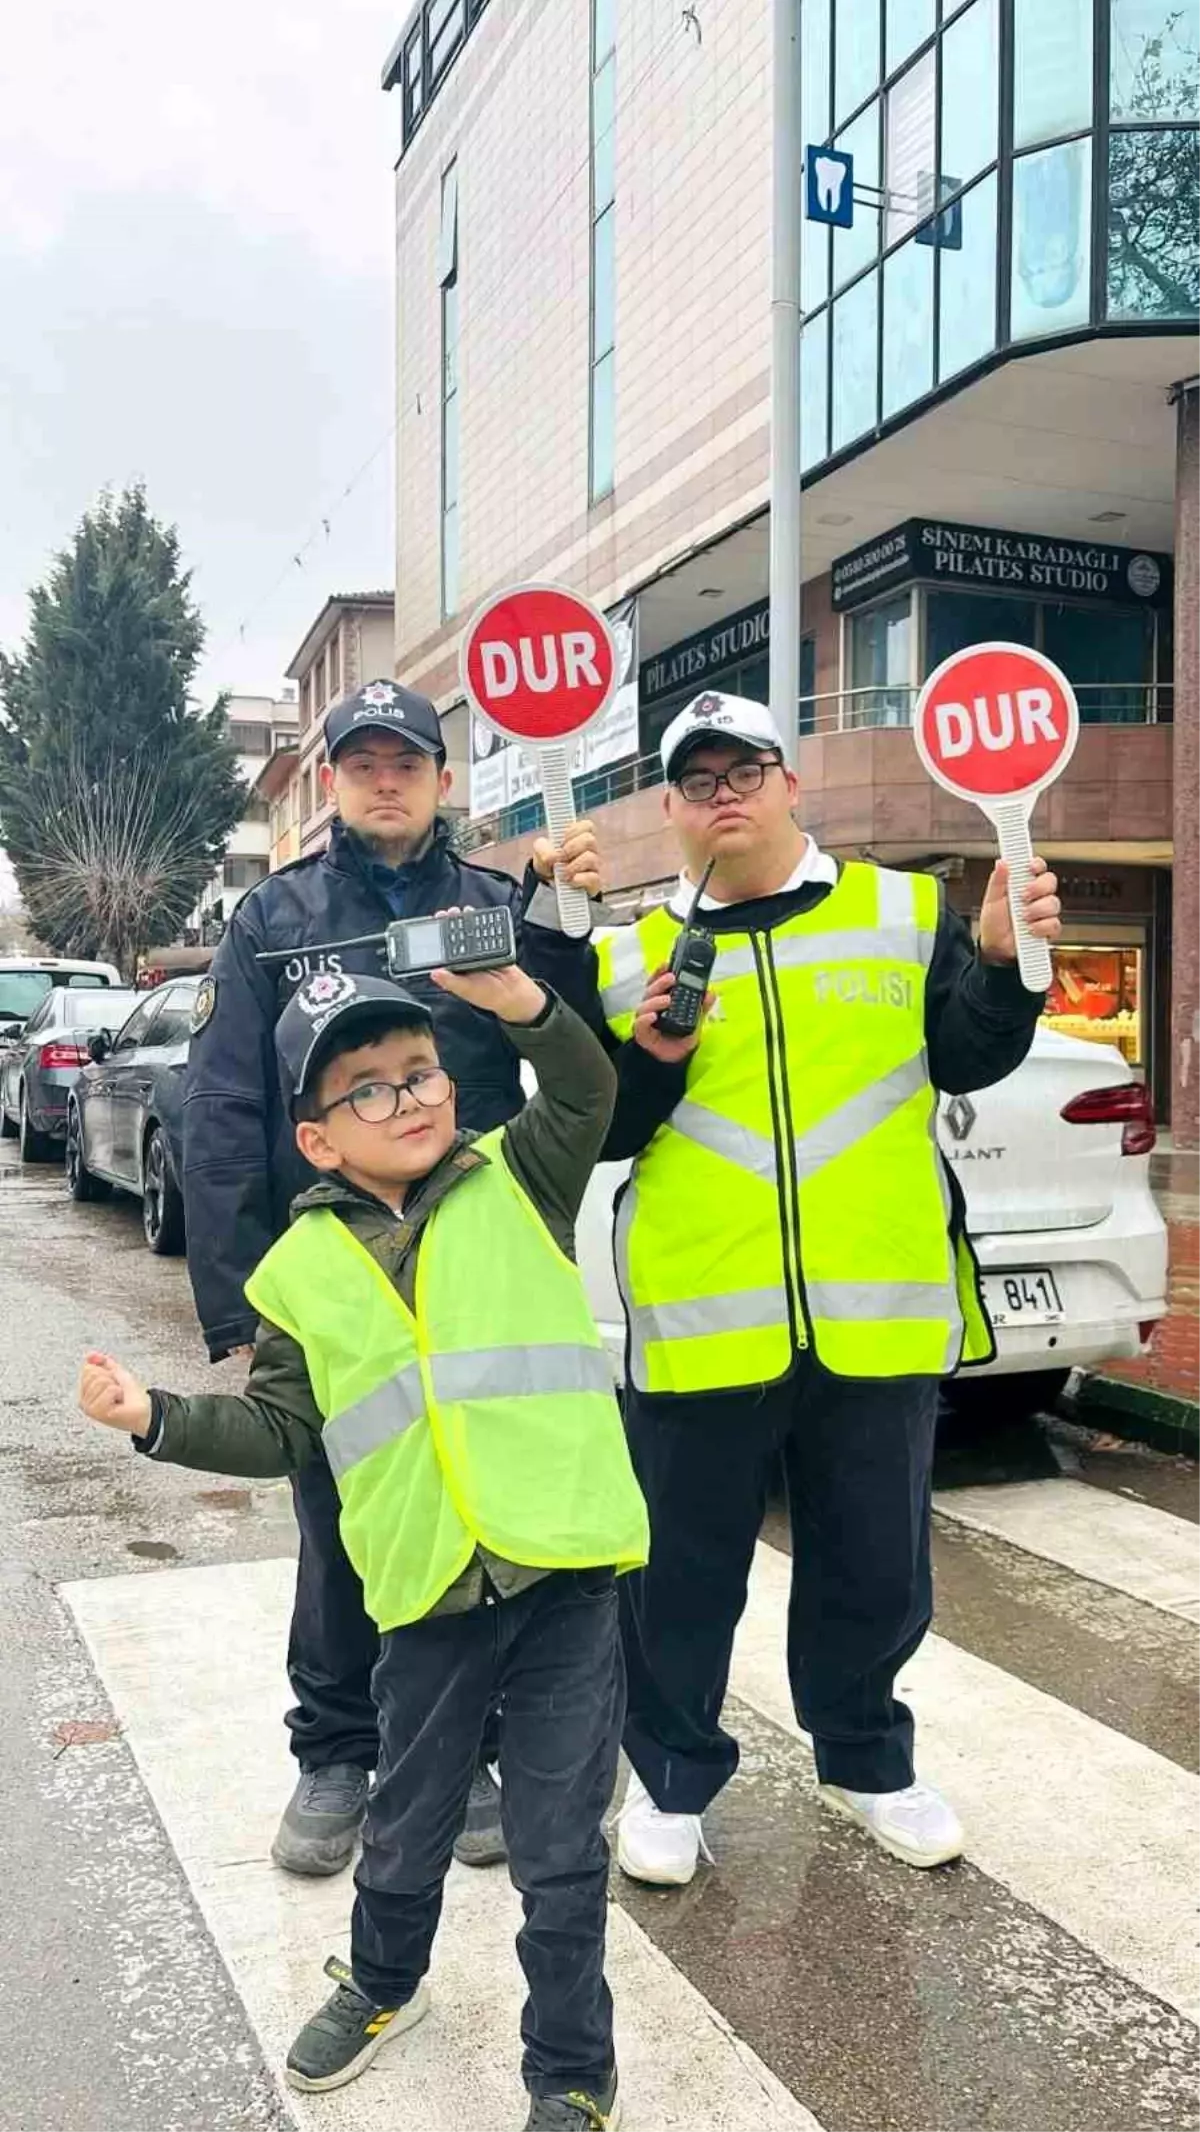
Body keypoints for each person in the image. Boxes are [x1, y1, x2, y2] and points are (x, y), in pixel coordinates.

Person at [80, 963, 647, 2131]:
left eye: (421, 1074)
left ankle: (571, 2075)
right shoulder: (297, 1277)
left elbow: (588, 1088)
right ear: (318, 1139)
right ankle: (387, 1987)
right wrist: (158, 1420)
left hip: (564, 1578)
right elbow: (285, 1427)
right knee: (405, 1826)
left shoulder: (515, 1176)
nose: (413, 1100)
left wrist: (521, 1003)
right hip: (428, 1592)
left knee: (557, 1853)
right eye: (371, 1091)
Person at [581, 691, 1062, 1885]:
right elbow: (605, 1130)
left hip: (876, 1312)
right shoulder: (629, 953)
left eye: (746, 768)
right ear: (670, 811)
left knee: (872, 1563)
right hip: (699, 1319)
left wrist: (1005, 966)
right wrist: (648, 1057)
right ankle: (674, 1778)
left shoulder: (903, 912)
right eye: (698, 779)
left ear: (794, 785)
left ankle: (866, 1763)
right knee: (679, 1577)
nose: (724, 792)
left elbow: (968, 1052)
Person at [182, 679, 601, 1879]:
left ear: (441, 778)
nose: (382, 778)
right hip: (341, 1258)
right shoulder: (273, 917)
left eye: (404, 760)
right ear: (331, 782)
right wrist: (240, 1296)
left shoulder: (495, 905)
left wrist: (569, 915)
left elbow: (567, 1049)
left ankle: (463, 1745)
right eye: (359, 761)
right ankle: (334, 1747)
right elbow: (225, 1106)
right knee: (338, 1512)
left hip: (470, 1258)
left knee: (473, 1497)